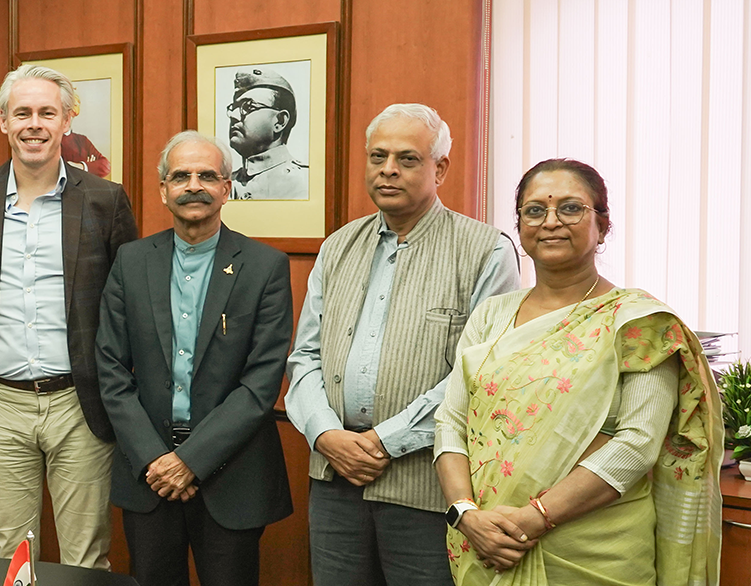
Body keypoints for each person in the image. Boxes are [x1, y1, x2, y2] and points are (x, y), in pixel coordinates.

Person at [433, 159, 721, 585]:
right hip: (486, 544)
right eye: (535, 210)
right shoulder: (490, 316)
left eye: (570, 208)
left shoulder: (636, 322)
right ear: (519, 227)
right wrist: (466, 513)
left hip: (594, 553)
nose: (551, 221)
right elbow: (451, 421)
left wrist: (536, 518)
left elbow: (638, 443)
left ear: (602, 227)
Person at [283, 103, 519, 586]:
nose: (388, 170)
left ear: (440, 168)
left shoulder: (485, 250)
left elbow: (479, 374)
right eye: (378, 157)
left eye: (407, 159)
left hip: (426, 484)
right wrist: (326, 435)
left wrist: (383, 442)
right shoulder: (337, 247)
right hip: (334, 479)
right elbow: (304, 357)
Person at [0, 64, 139, 568]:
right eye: (21, 112)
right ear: (2, 120)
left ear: (66, 121)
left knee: (86, 558)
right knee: (11, 559)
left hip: (80, 405)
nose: (34, 124)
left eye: (47, 113)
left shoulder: (104, 200)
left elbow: (129, 306)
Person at [96, 131, 293, 586]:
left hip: (232, 475)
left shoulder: (264, 266)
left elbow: (261, 383)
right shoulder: (131, 261)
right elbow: (110, 368)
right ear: (163, 189)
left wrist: (192, 461)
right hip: (150, 474)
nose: (193, 185)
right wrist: (154, 459)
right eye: (180, 176)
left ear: (227, 187)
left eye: (207, 175)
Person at [226, 68, 309, 201]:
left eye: (248, 107)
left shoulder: (306, 183)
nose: (234, 116)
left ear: (280, 121)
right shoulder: (224, 185)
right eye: (233, 108)